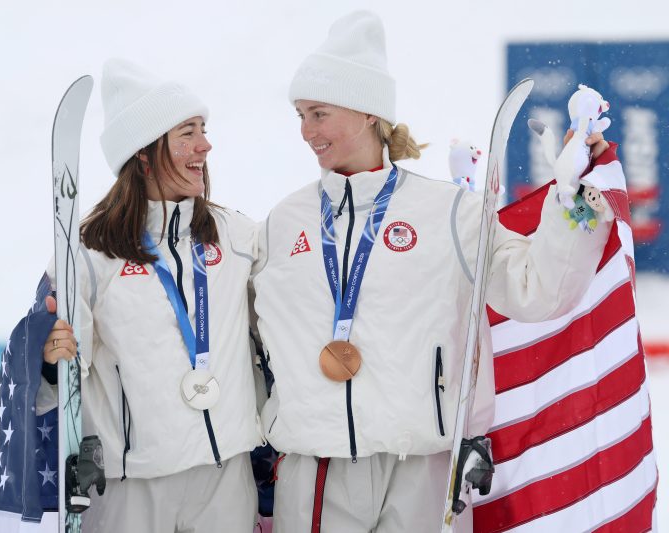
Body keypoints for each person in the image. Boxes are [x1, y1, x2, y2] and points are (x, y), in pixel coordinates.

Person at [250, 11, 615, 532]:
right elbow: (245, 338)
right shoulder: (282, 224)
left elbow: (536, 291)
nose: (307, 132)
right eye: (301, 116)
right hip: (315, 469)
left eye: (319, 114)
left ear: (369, 112)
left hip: (424, 470)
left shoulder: (450, 212)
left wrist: (570, 200)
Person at [40, 58, 262, 532]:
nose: (205, 145)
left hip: (226, 477)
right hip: (132, 488)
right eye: (187, 133)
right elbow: (52, 386)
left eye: (203, 130)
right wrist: (48, 361)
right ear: (143, 154)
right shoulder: (87, 255)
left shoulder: (238, 237)